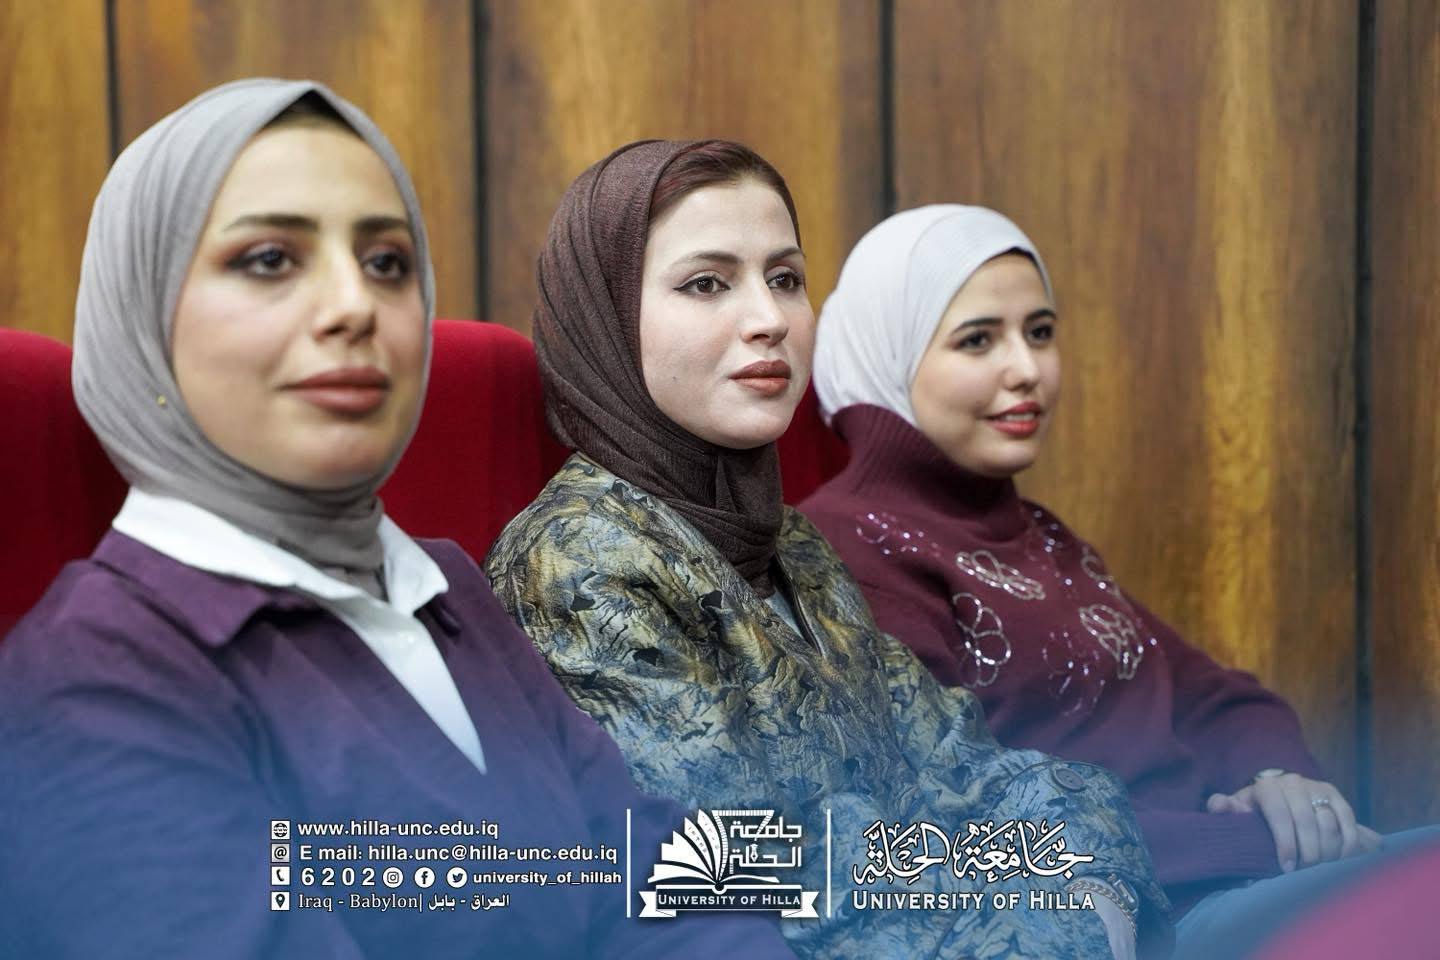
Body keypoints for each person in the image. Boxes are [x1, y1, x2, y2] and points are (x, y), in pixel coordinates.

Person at [0, 80, 793, 960]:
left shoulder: (445, 582)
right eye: (269, 259)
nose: (354, 306)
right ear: (144, 315)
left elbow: (661, 869)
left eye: (386, 262)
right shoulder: (89, 683)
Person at [484, 139, 1172, 960]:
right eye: (707, 283)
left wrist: (1091, 896)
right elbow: (743, 870)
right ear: (603, 318)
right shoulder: (572, 563)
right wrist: (1065, 915)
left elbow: (968, 766)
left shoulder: (790, 543)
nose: (770, 318)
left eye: (785, 278)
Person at [798, 203, 1399, 953]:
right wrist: (1256, 844)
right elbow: (949, 821)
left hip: (1231, 875)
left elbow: (1219, 698)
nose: (1028, 369)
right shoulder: (844, 550)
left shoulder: (1039, 533)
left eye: (1040, 332)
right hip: (1139, 921)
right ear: (885, 354)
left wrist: (1283, 783)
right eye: (978, 339)